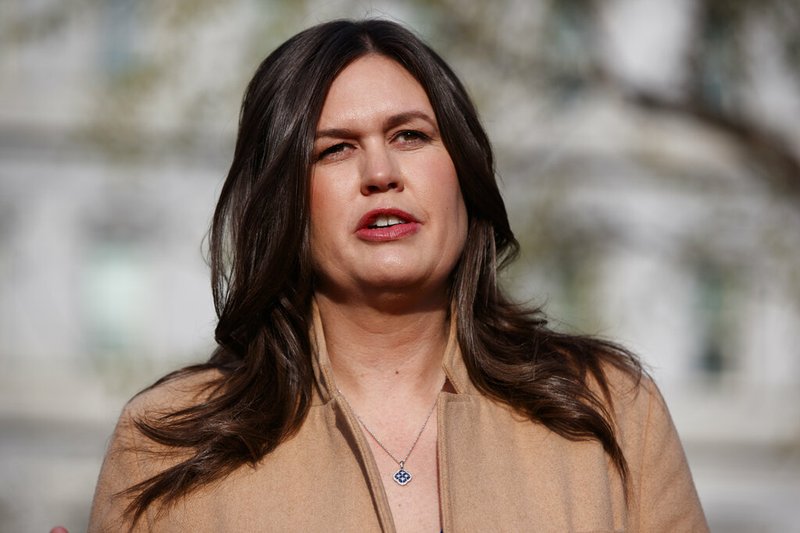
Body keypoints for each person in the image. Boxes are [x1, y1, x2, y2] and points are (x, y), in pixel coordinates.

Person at [87, 18, 708, 532]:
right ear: (283, 200)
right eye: (335, 149)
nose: (380, 172)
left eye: (410, 135)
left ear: (463, 171)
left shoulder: (609, 410)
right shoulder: (168, 444)